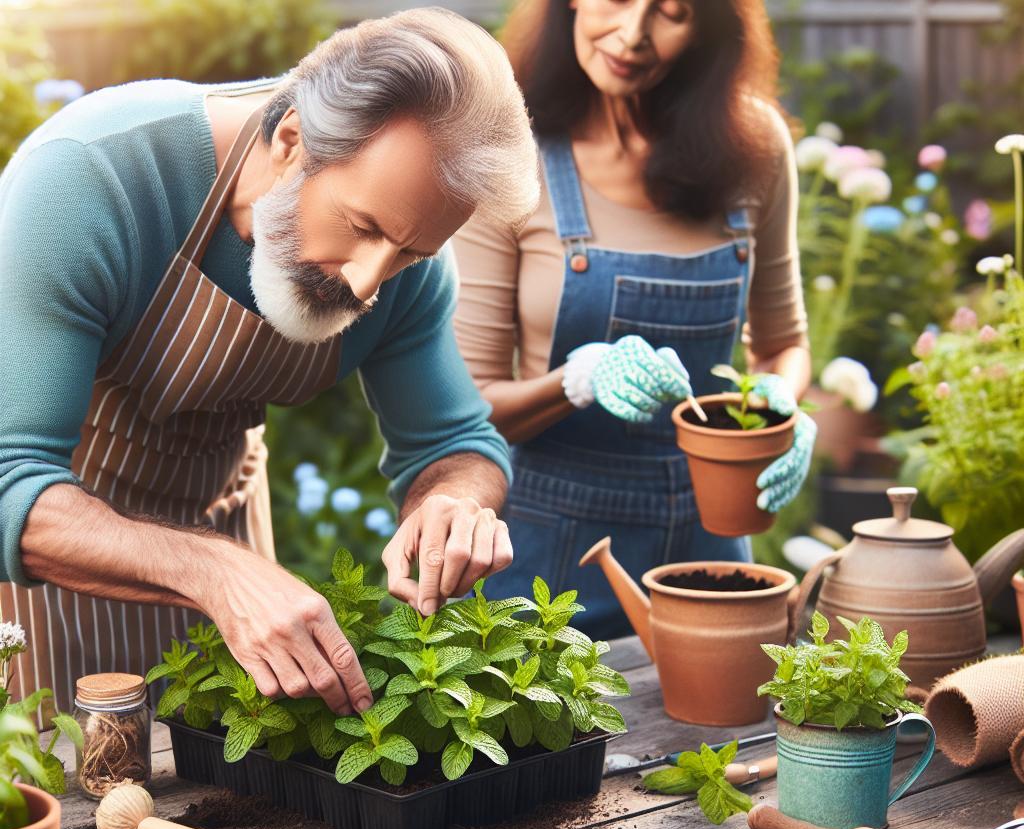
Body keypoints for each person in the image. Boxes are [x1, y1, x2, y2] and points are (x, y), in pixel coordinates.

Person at [0, 8, 540, 716]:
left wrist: (454, 501)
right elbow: (11, 480)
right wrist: (214, 569)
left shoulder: (402, 266)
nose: (369, 283)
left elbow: (455, 442)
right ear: (291, 139)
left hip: (231, 551)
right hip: (41, 587)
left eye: (410, 252)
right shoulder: (91, 180)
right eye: (364, 228)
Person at [452, 0, 813, 638]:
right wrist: (575, 380)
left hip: (711, 546)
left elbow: (784, 343)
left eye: (671, 12)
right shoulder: (510, 154)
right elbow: (471, 408)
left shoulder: (753, 146)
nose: (632, 34)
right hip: (546, 560)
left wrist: (783, 404)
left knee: (721, 734)